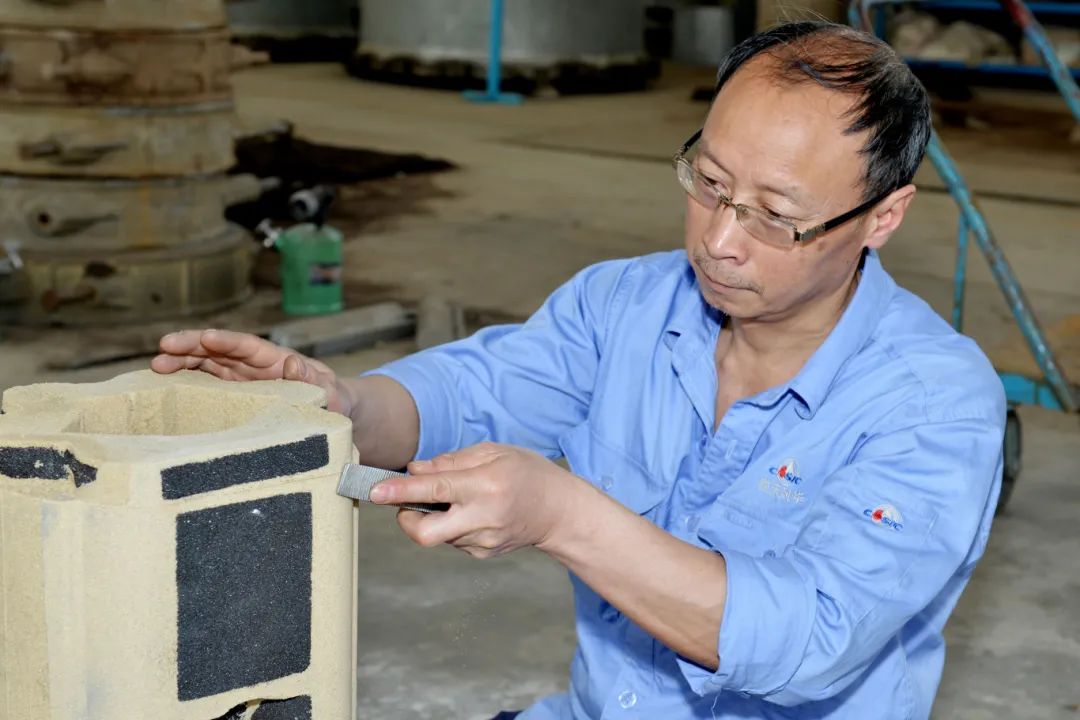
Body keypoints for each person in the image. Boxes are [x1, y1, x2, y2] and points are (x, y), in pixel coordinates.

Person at [154, 21, 1005, 720]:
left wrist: (562, 516)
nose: (719, 240)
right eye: (709, 183)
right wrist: (339, 402)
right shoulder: (626, 305)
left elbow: (812, 638)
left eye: (775, 216)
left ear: (882, 216)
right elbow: (472, 394)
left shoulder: (936, 403)